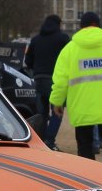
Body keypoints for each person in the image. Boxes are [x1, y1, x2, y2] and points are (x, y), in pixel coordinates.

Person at [48, 10, 102, 166]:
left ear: (81, 27)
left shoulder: (69, 50)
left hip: (81, 106)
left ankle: (89, 177)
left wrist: (57, 102)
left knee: (84, 143)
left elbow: (60, 81)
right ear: (98, 26)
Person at [24, 13, 70, 148]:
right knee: (57, 112)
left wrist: (36, 69)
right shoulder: (63, 39)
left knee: (42, 114)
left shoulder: (35, 40)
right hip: (54, 80)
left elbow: (28, 60)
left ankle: (41, 141)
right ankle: (49, 141)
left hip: (38, 79)